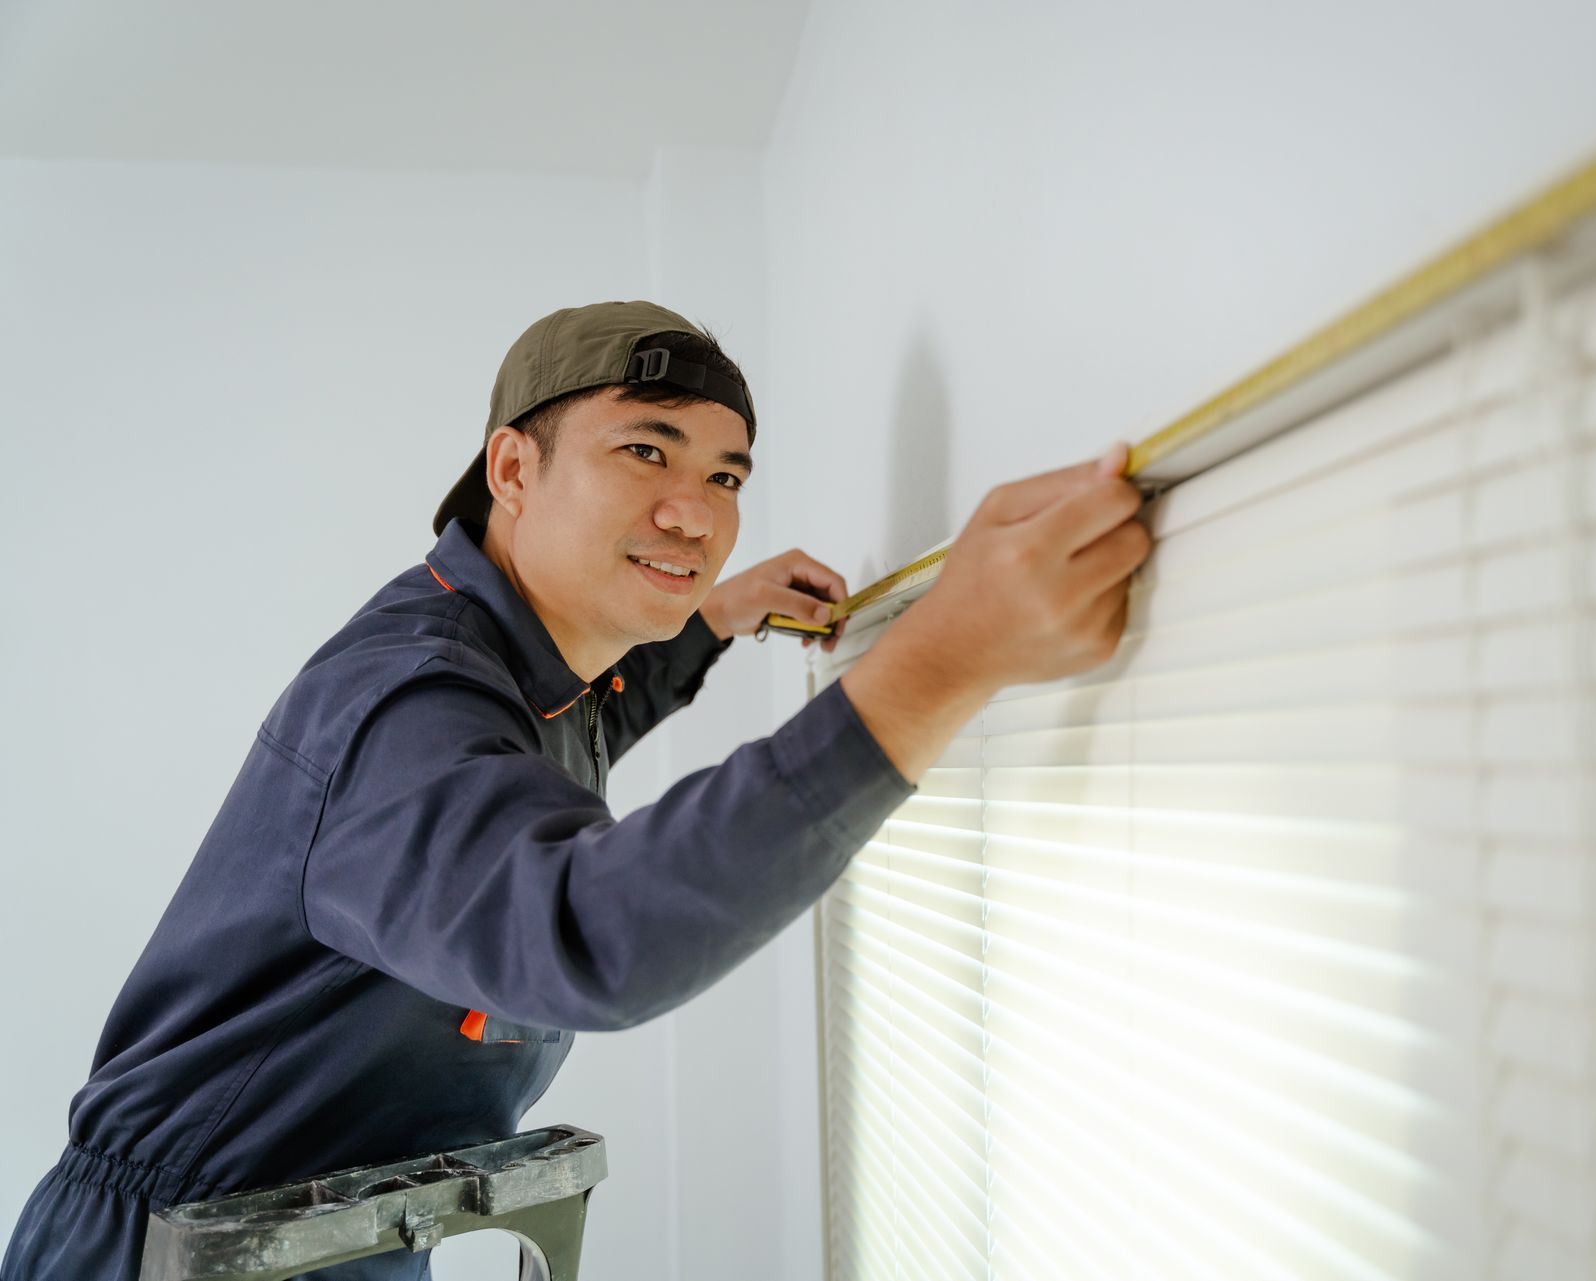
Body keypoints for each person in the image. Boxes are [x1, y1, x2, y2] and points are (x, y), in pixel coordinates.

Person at [0, 300, 1151, 1280]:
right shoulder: (412, 695)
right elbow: (578, 930)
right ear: (512, 468)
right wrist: (943, 659)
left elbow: (589, 715)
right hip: (173, 1248)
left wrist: (713, 613)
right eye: (645, 453)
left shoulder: (526, 663)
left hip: (319, 1234)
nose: (693, 511)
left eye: (724, 475)